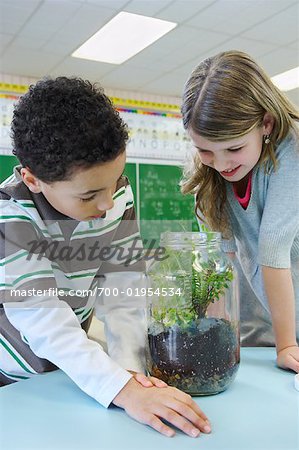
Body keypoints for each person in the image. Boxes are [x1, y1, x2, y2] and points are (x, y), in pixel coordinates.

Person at [0, 77, 211, 438]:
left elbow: (125, 292)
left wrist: (129, 372)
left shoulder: (116, 198)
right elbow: (42, 316)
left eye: (114, 182)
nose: (108, 204)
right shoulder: (10, 214)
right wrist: (119, 387)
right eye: (89, 195)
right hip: (13, 378)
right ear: (33, 180)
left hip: (77, 373)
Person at [181, 50, 299, 373]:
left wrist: (287, 343)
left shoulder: (294, 149)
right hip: (260, 336)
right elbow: (223, 263)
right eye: (205, 150)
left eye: (233, 149)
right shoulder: (212, 179)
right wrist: (216, 334)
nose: (220, 165)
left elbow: (273, 247)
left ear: (266, 123)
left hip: (289, 339)